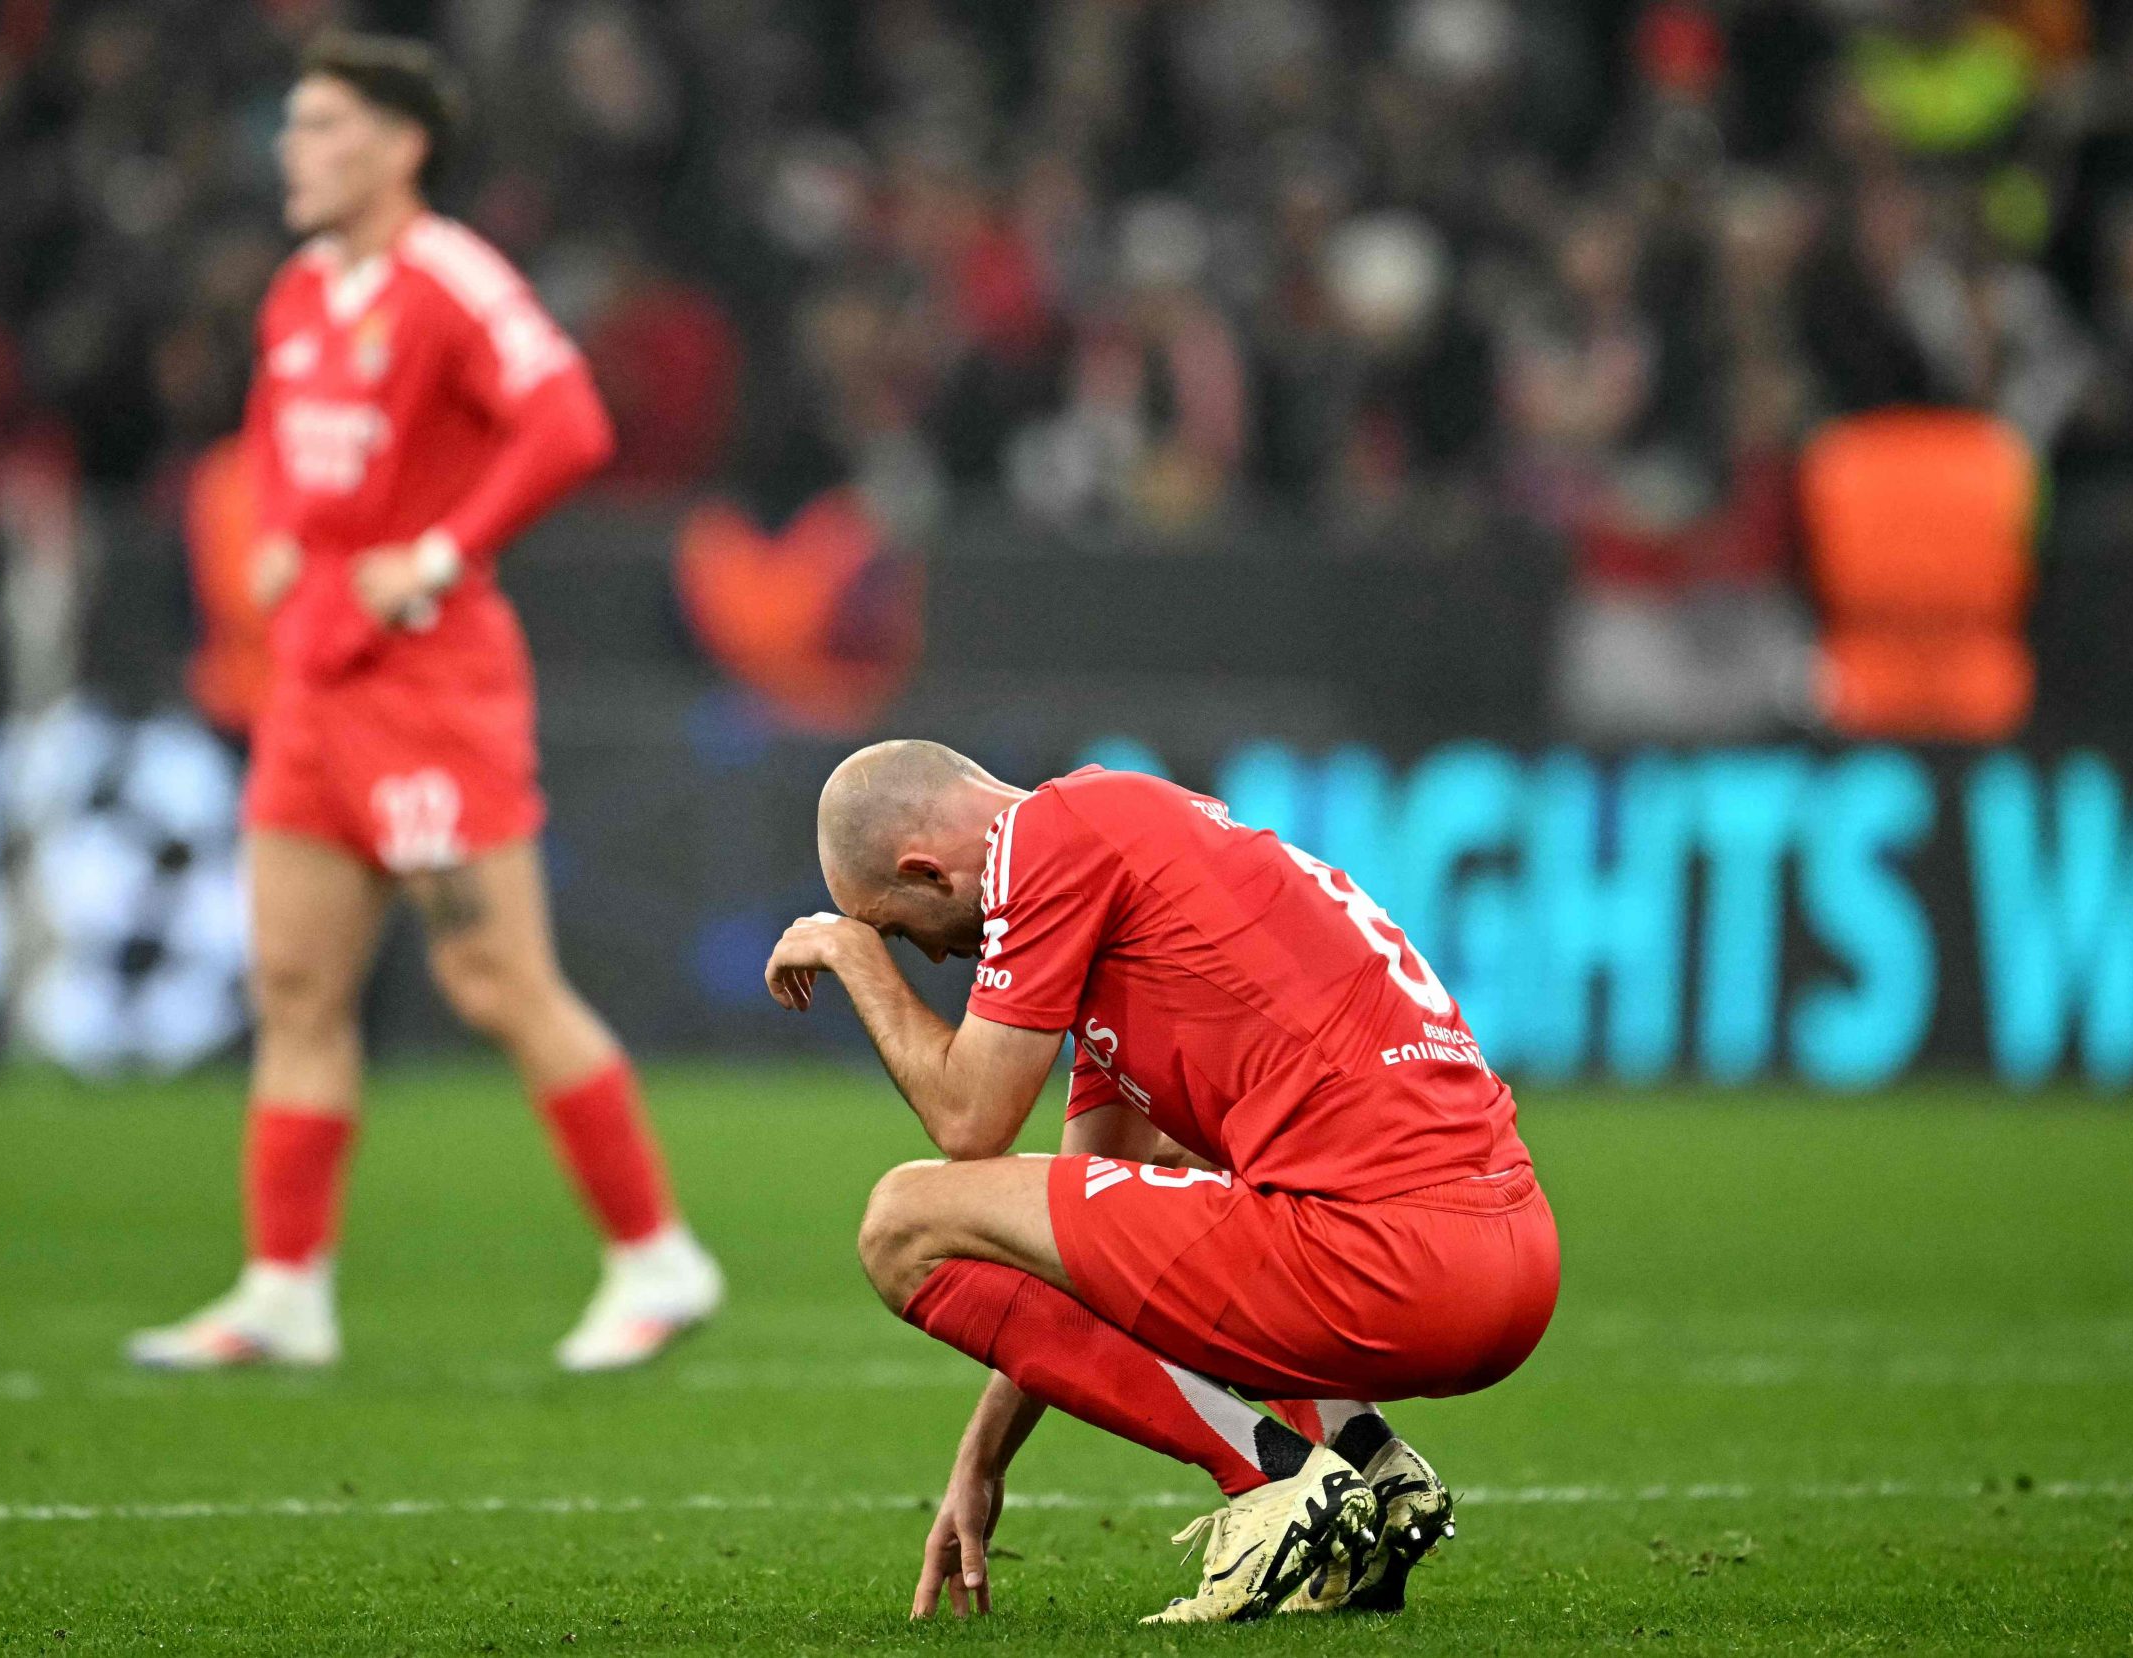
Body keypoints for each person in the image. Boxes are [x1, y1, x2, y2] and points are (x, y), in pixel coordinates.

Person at [129, 33, 719, 1374]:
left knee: (495, 977)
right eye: (295, 123)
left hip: (434, 685)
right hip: (316, 682)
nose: (295, 147)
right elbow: (278, 433)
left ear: (401, 147)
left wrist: (441, 553)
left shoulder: (451, 275)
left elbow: (569, 422)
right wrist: (280, 530)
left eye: (325, 124)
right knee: (295, 982)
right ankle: (285, 1289)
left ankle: (657, 1253)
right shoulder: (297, 290)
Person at [762, 743, 1558, 1623]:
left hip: (1393, 1262)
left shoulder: (1044, 838)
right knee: (1163, 1172)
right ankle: (1366, 1460)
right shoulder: (1138, 861)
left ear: (925, 871)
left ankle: (1273, 1483)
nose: (935, 961)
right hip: (1508, 1261)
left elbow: (969, 1123)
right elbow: (1069, 1257)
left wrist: (855, 959)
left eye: (903, 931)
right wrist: (983, 1458)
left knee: (899, 1220)